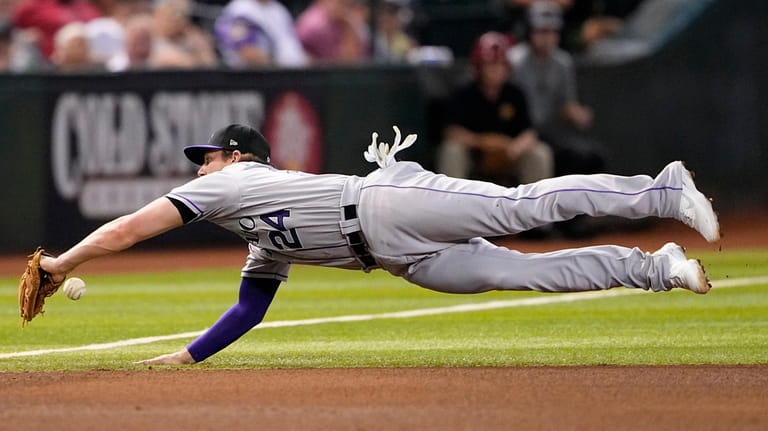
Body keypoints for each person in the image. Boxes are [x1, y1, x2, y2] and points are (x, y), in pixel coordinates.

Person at [39, 123, 720, 365]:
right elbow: (250, 306)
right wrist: (188, 356)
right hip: (400, 258)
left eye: (207, 156)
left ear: (240, 155)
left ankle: (661, 190)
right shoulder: (255, 229)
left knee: (520, 206)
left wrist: (61, 264)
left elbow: (128, 229)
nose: (199, 166)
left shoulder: (234, 182)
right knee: (524, 274)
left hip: (386, 202)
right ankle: (654, 267)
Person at [438, 31, 553, 188]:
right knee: (451, 151)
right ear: (478, 67)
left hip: (510, 154)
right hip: (475, 154)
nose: (496, 70)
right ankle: (454, 207)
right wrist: (482, 143)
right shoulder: (464, 93)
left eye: (501, 65)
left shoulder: (515, 93)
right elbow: (451, 132)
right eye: (490, 65)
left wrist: (514, 148)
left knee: (539, 153)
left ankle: (535, 207)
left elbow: (530, 132)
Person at [509, 0, 604, 177]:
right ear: (530, 32)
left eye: (553, 32)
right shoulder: (515, 61)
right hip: (520, 132)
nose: (548, 37)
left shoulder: (563, 62)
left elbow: (566, 104)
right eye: (542, 31)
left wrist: (576, 113)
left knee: (591, 156)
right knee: (541, 155)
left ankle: (584, 204)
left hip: (549, 131)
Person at [214, 0, 307, 68]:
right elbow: (246, 51)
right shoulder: (240, 8)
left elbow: (292, 48)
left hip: (291, 74)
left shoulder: (278, 9)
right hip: (255, 77)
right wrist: (278, 64)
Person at [295, 0, 370, 63]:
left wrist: (350, 28)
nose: (346, 4)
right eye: (341, 2)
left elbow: (356, 61)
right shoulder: (315, 24)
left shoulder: (348, 20)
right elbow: (343, 65)